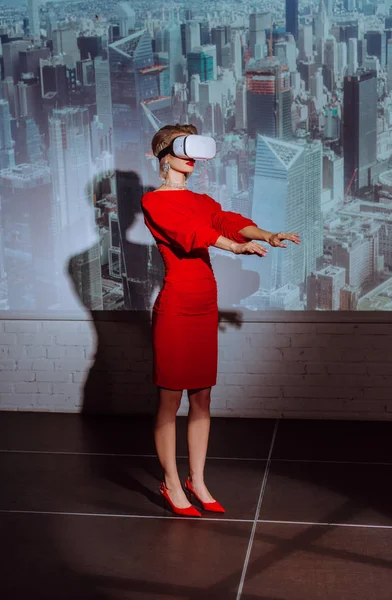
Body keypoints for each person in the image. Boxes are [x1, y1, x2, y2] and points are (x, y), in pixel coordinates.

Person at [141, 124, 300, 517]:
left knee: (202, 399)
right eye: (183, 149)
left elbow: (226, 219)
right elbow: (193, 233)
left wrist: (265, 234)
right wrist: (235, 248)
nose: (191, 158)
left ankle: (198, 479)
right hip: (177, 307)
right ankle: (172, 483)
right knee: (169, 401)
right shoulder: (155, 203)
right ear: (165, 155)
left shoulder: (202, 199)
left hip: (204, 306)